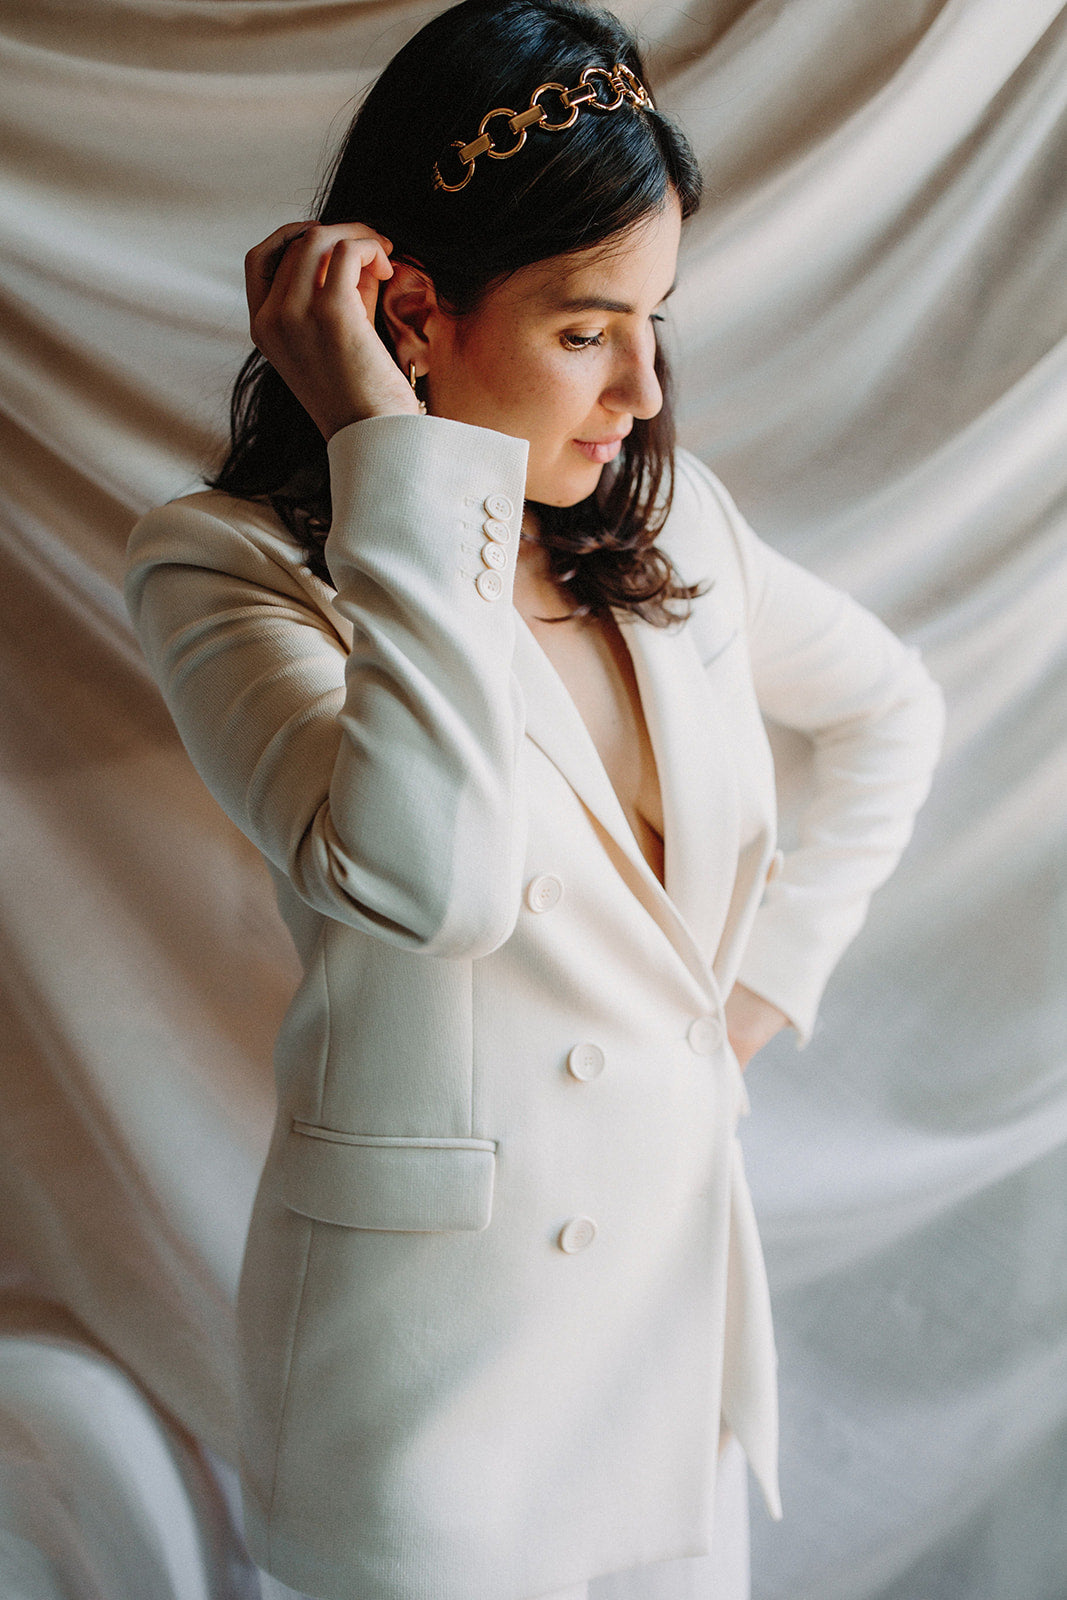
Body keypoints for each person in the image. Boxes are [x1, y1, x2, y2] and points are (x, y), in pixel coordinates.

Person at [125, 1, 944, 1597]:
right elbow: (437, 883)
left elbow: (890, 714)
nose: (643, 385)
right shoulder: (222, 570)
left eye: (657, 319)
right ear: (407, 312)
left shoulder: (674, 528)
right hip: (433, 1402)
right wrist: (386, 445)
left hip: (667, 1344)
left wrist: (759, 993)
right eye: (585, 329)